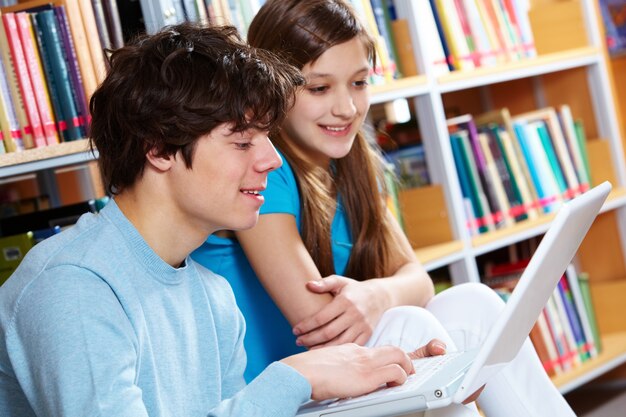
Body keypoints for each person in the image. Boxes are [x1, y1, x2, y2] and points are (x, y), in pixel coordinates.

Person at [0, 22, 448, 417]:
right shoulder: (72, 288)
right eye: (242, 141)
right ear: (157, 148)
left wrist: (387, 394)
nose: (273, 161)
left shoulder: (211, 295)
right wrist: (295, 379)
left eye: (268, 138)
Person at [191, 1, 577, 416]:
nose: (347, 108)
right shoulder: (266, 173)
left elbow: (419, 279)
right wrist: (388, 307)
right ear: (271, 90)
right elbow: (323, 323)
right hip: (284, 397)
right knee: (407, 326)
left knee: (475, 304)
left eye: (359, 83)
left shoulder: (353, 165)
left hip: (340, 379)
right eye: (320, 88)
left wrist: (376, 294)